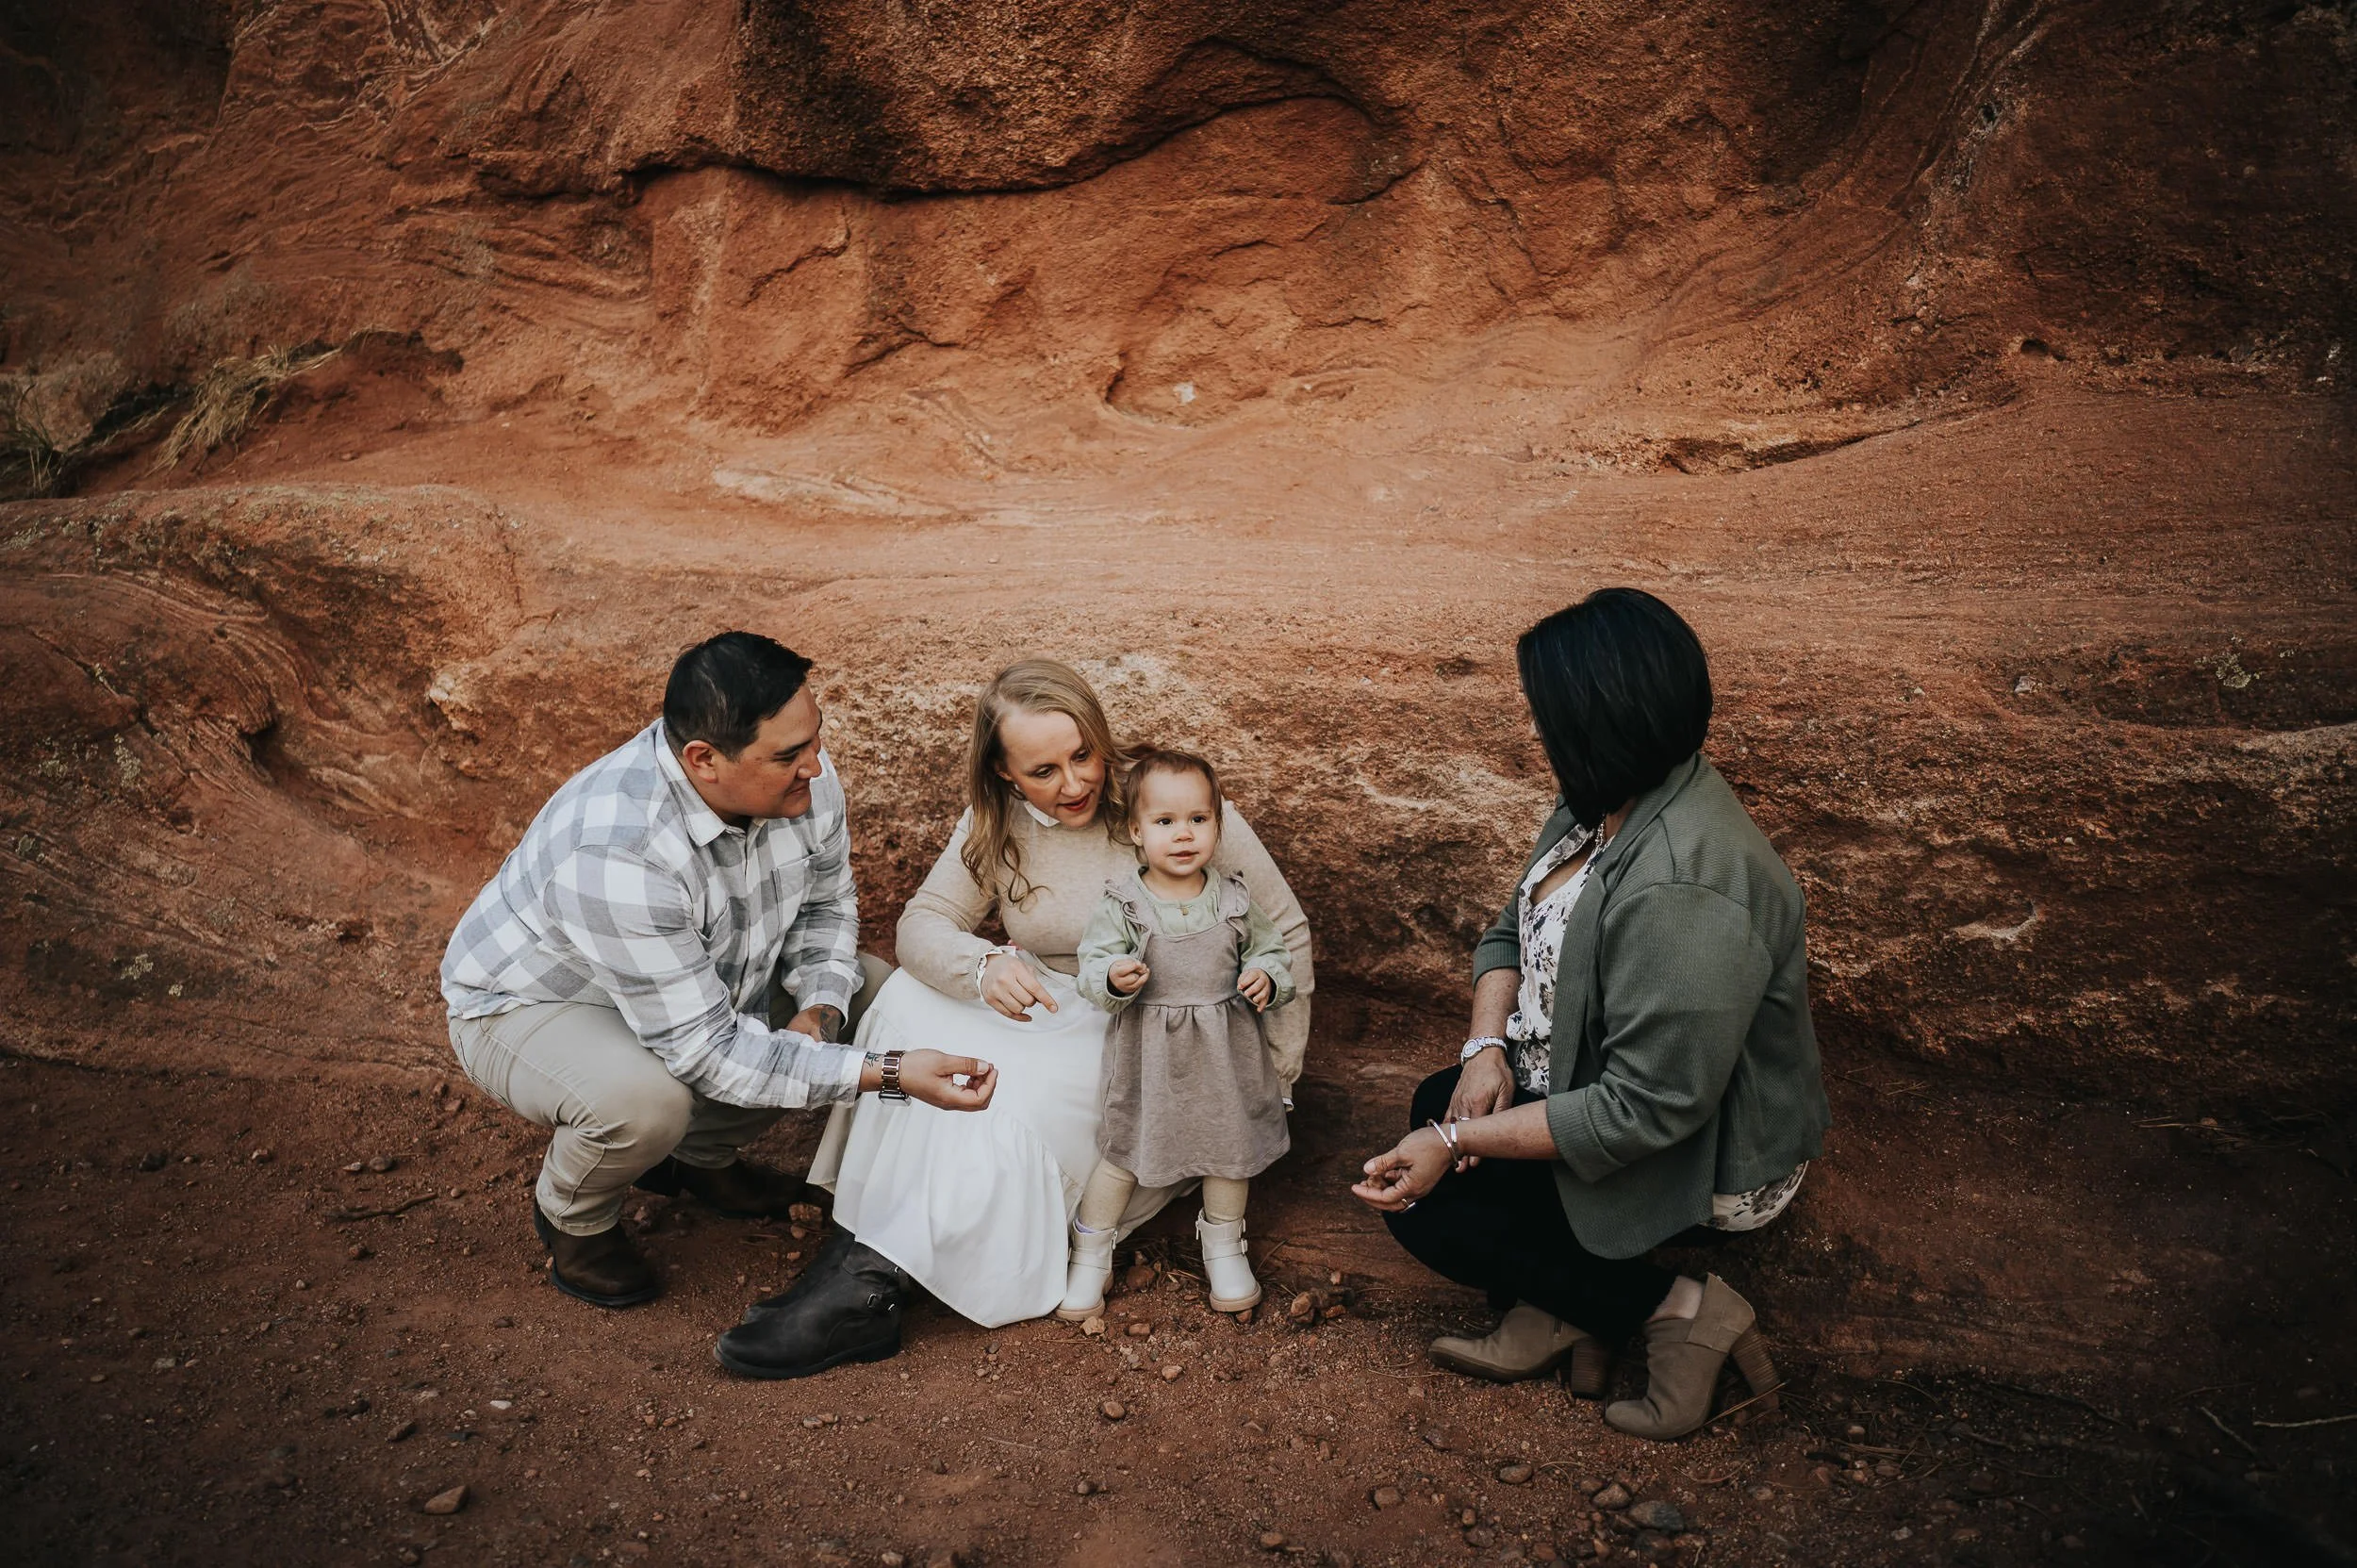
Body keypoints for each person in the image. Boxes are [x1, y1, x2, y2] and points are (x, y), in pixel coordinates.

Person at [717, 658, 1312, 1378]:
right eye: (1044, 771)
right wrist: (983, 967)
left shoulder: (1167, 799)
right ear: (1003, 774)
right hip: (1046, 1001)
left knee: (1011, 1092)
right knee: (904, 998)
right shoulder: (995, 819)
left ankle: (875, 1281)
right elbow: (925, 922)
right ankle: (865, 1251)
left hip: (1151, 1025)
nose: (1075, 784)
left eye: (1084, 754)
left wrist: (1273, 1075)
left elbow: (1285, 929)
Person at [1352, 588, 1829, 1442]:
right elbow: (1507, 931)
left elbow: (1651, 1109)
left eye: (1545, 715)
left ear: (1603, 721)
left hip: (1707, 1150)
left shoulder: (1685, 888)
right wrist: (1484, 1051)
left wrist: (1457, 1143)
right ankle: (1564, 1308)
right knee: (1439, 1101)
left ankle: (1678, 1310)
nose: (1535, 732)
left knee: (1436, 1206)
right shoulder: (1593, 803)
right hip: (1586, 1076)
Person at [439, 632, 997, 1312]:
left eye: (815, 740)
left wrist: (819, 1011)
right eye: (789, 755)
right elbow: (707, 1052)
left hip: (694, 985)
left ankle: (699, 1162)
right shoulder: (618, 853)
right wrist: (883, 1072)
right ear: (703, 759)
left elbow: (827, 905)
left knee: (868, 990)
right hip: (534, 1004)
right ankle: (573, 1219)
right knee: (644, 1101)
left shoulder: (800, 775)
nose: (817, 768)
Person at [1061, 749, 1297, 1319]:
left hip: (1226, 1055)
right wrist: (1113, 977)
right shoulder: (1124, 902)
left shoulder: (1235, 898)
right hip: (1149, 1056)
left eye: (1199, 819)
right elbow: (1091, 968)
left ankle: (1223, 1246)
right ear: (1137, 832)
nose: (1184, 834)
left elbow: (1272, 950)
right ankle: (1090, 1254)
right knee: (1124, 1152)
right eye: (1165, 822)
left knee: (1228, 1153)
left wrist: (1266, 976)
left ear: (1218, 824)